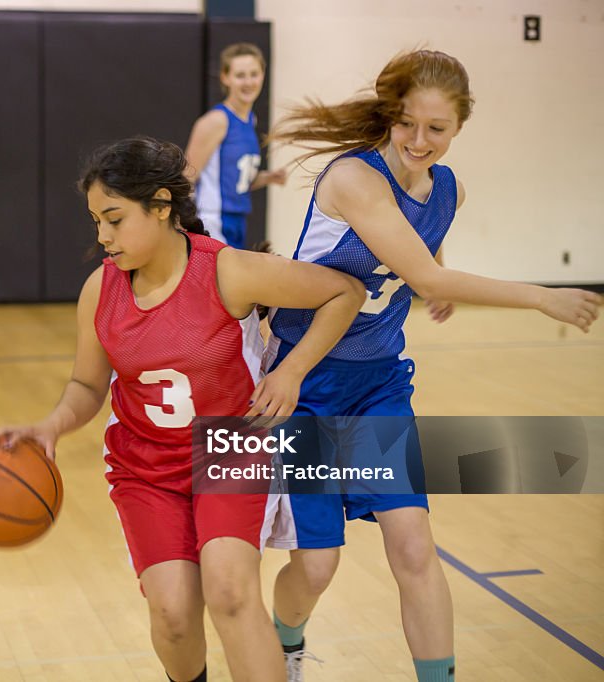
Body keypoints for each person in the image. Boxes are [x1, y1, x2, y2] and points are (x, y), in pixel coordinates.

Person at [257, 50, 601, 681]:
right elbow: (421, 267)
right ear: (391, 117)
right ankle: (287, 645)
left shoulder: (450, 189)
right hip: (304, 383)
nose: (419, 141)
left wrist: (433, 284)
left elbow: (424, 251)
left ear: (460, 126)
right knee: (316, 567)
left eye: (436, 129)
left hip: (379, 386)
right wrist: (538, 295)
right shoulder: (353, 178)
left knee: (414, 544)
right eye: (407, 124)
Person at [0, 136, 365, 682]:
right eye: (96, 222)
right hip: (146, 467)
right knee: (173, 615)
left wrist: (291, 371)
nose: (102, 236)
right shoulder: (101, 289)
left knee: (231, 590)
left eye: (114, 219)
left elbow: (344, 293)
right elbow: (87, 386)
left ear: (161, 206)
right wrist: (51, 426)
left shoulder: (227, 271)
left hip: (229, 451)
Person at [185, 42, 287, 250]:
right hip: (212, 220)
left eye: (254, 74)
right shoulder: (216, 121)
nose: (248, 82)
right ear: (225, 77)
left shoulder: (251, 120)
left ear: (263, 75)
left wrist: (267, 177)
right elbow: (186, 177)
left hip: (237, 220)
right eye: (240, 75)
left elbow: (233, 181)